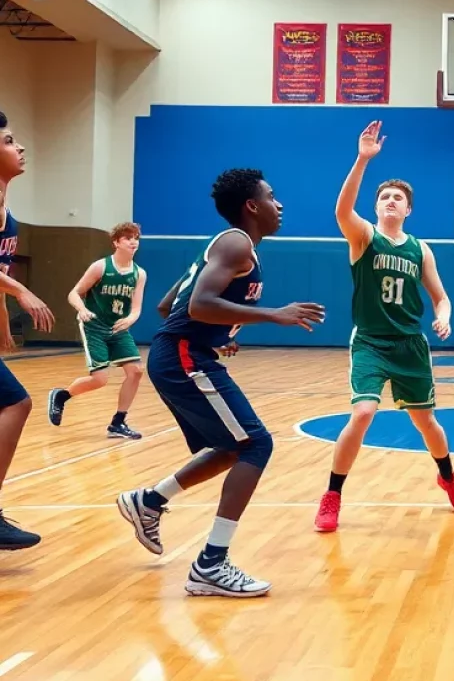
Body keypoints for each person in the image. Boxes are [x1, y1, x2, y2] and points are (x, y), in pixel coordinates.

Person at [117, 169, 325, 597]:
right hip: (182, 356)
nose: (279, 204)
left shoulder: (230, 246)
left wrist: (221, 330)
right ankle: (210, 564)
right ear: (251, 206)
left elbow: (165, 305)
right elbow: (197, 303)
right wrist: (273, 314)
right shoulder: (236, 243)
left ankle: (150, 501)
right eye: (271, 196)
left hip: (184, 352)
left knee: (234, 446)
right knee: (257, 444)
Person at [314, 121, 454, 533]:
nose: (390, 201)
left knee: (426, 423)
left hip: (410, 345)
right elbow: (341, 211)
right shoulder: (363, 237)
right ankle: (332, 494)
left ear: (408, 210)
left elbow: (441, 295)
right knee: (364, 412)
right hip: (370, 340)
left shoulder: (421, 248)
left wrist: (444, 315)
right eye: (384, 196)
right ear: (377, 206)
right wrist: (363, 160)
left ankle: (448, 475)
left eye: (397, 197)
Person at [0, 112, 55, 549]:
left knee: (14, 402)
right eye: (9, 141)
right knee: (16, 403)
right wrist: (21, 290)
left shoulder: (6, 209)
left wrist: (3, 330)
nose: (20, 148)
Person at [47, 222, 147, 439]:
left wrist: (130, 319)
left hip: (118, 327)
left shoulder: (139, 274)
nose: (133, 241)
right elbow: (74, 293)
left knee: (136, 371)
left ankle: (118, 423)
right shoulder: (100, 267)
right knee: (100, 379)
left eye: (136, 238)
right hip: (94, 325)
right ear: (116, 242)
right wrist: (82, 309)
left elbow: (137, 308)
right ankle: (62, 395)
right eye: (128, 237)